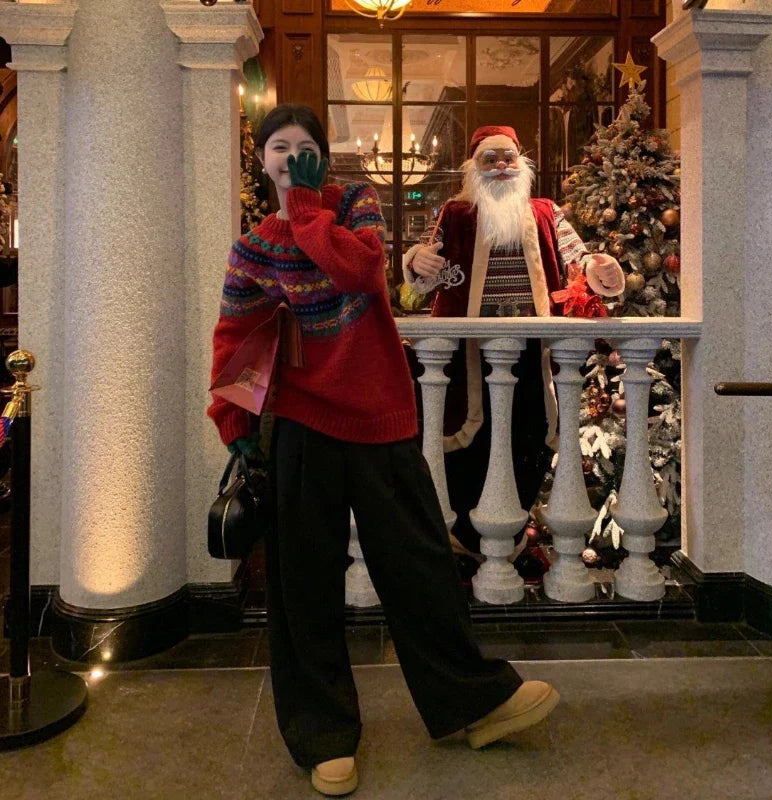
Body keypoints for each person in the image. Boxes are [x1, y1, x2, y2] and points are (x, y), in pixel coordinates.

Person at [208, 106, 560, 797]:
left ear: (322, 157)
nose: (291, 158)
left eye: (304, 147)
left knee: (421, 565)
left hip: (381, 418)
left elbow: (359, 271)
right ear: (261, 160)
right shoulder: (253, 247)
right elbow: (235, 331)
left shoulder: (354, 206)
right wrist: (233, 417)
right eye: (279, 148)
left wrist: (307, 207)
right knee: (303, 583)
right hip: (301, 423)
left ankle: (473, 701)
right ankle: (323, 734)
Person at [403, 125, 624, 556]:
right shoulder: (456, 214)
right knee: (471, 439)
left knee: (531, 432)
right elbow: (424, 267)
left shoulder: (545, 212)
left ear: (521, 163)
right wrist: (417, 260)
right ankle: (468, 539)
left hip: (531, 351)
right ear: (474, 167)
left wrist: (600, 269)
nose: (502, 166)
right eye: (491, 159)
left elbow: (578, 258)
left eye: (509, 157)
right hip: (470, 354)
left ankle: (511, 534)